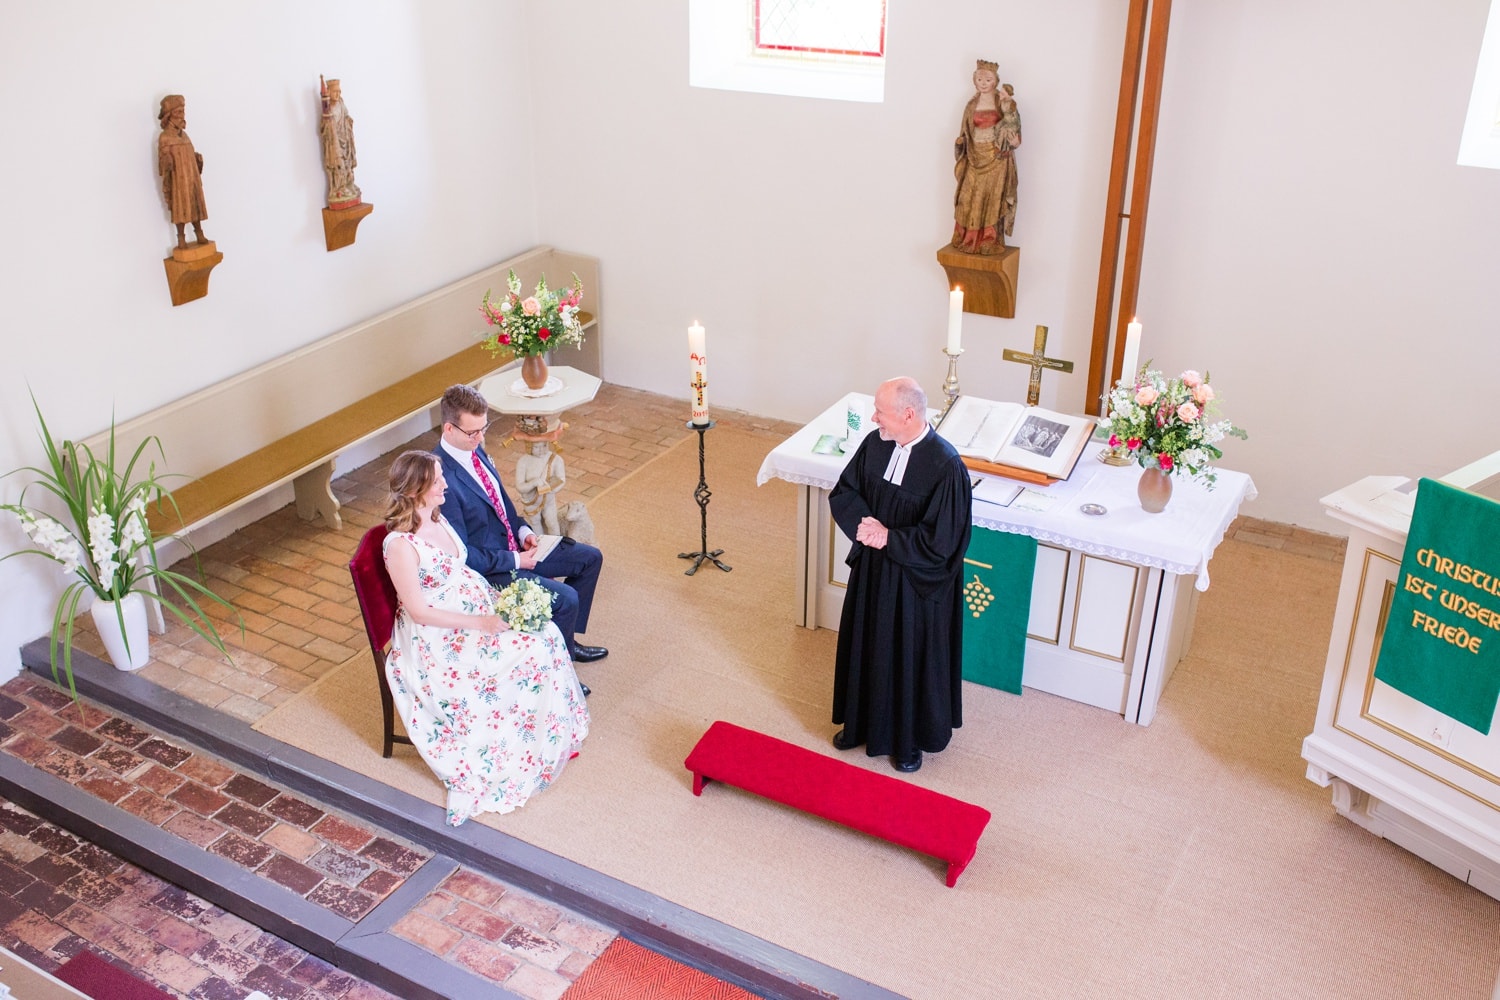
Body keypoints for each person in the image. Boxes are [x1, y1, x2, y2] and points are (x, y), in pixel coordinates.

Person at [381, 451, 588, 825]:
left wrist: (496, 603)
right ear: (416, 491)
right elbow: (419, 611)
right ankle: (518, 745)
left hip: (474, 605)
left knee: (547, 635)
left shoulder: (437, 517)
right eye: (437, 480)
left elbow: (461, 570)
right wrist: (483, 624)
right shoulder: (400, 546)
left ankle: (543, 736)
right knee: (529, 653)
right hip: (438, 637)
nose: (445, 484)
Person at [829, 377, 973, 773]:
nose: (874, 418)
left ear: (908, 414)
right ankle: (858, 724)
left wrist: (890, 538)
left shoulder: (946, 467)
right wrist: (865, 525)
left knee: (906, 657)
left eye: (881, 411)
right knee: (866, 643)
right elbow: (846, 490)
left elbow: (945, 541)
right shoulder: (876, 443)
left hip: (914, 586)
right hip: (874, 573)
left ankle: (908, 742)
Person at [434, 384, 609, 665]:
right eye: (472, 432)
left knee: (590, 558)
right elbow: (464, 554)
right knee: (567, 598)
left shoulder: (474, 450)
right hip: (492, 569)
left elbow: (502, 504)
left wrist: (524, 531)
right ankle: (560, 665)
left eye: (484, 428)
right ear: (449, 429)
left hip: (517, 546)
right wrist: (516, 559)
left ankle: (566, 643)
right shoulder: (441, 480)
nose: (480, 438)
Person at [951, 61, 1021, 255]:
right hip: (974, 156)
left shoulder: (1003, 102)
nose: (983, 83)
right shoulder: (971, 105)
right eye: (980, 79)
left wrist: (1014, 142)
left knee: (991, 199)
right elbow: (965, 131)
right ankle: (968, 237)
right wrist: (961, 144)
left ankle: (989, 239)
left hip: (996, 158)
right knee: (969, 196)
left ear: (995, 81)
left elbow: (1013, 125)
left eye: (988, 79)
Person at [157, 95, 209, 250]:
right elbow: (164, 162)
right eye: (179, 112)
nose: (182, 115)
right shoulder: (165, 137)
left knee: (195, 202)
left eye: (183, 111)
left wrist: (196, 159)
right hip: (179, 178)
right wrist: (167, 162)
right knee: (181, 205)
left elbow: (189, 154)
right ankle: (181, 238)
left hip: (190, 175)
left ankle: (199, 232)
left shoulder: (184, 135)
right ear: (170, 115)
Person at [319, 76, 361, 208]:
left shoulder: (341, 104)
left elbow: (346, 116)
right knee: (338, 166)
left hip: (345, 139)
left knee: (347, 164)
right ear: (329, 92)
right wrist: (329, 125)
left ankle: (349, 183)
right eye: (335, 91)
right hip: (335, 143)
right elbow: (325, 128)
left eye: (339, 91)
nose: (338, 94)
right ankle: (338, 188)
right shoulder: (328, 110)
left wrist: (348, 121)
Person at [515, 437, 565, 536]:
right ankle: (540, 545)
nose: (541, 450)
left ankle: (556, 545)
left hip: (549, 500)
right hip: (531, 502)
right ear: (529, 447)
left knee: (552, 522)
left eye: (544, 445)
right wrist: (533, 483)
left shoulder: (555, 459)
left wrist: (551, 488)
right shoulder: (523, 461)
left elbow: (561, 480)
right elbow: (520, 487)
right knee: (535, 522)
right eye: (536, 447)